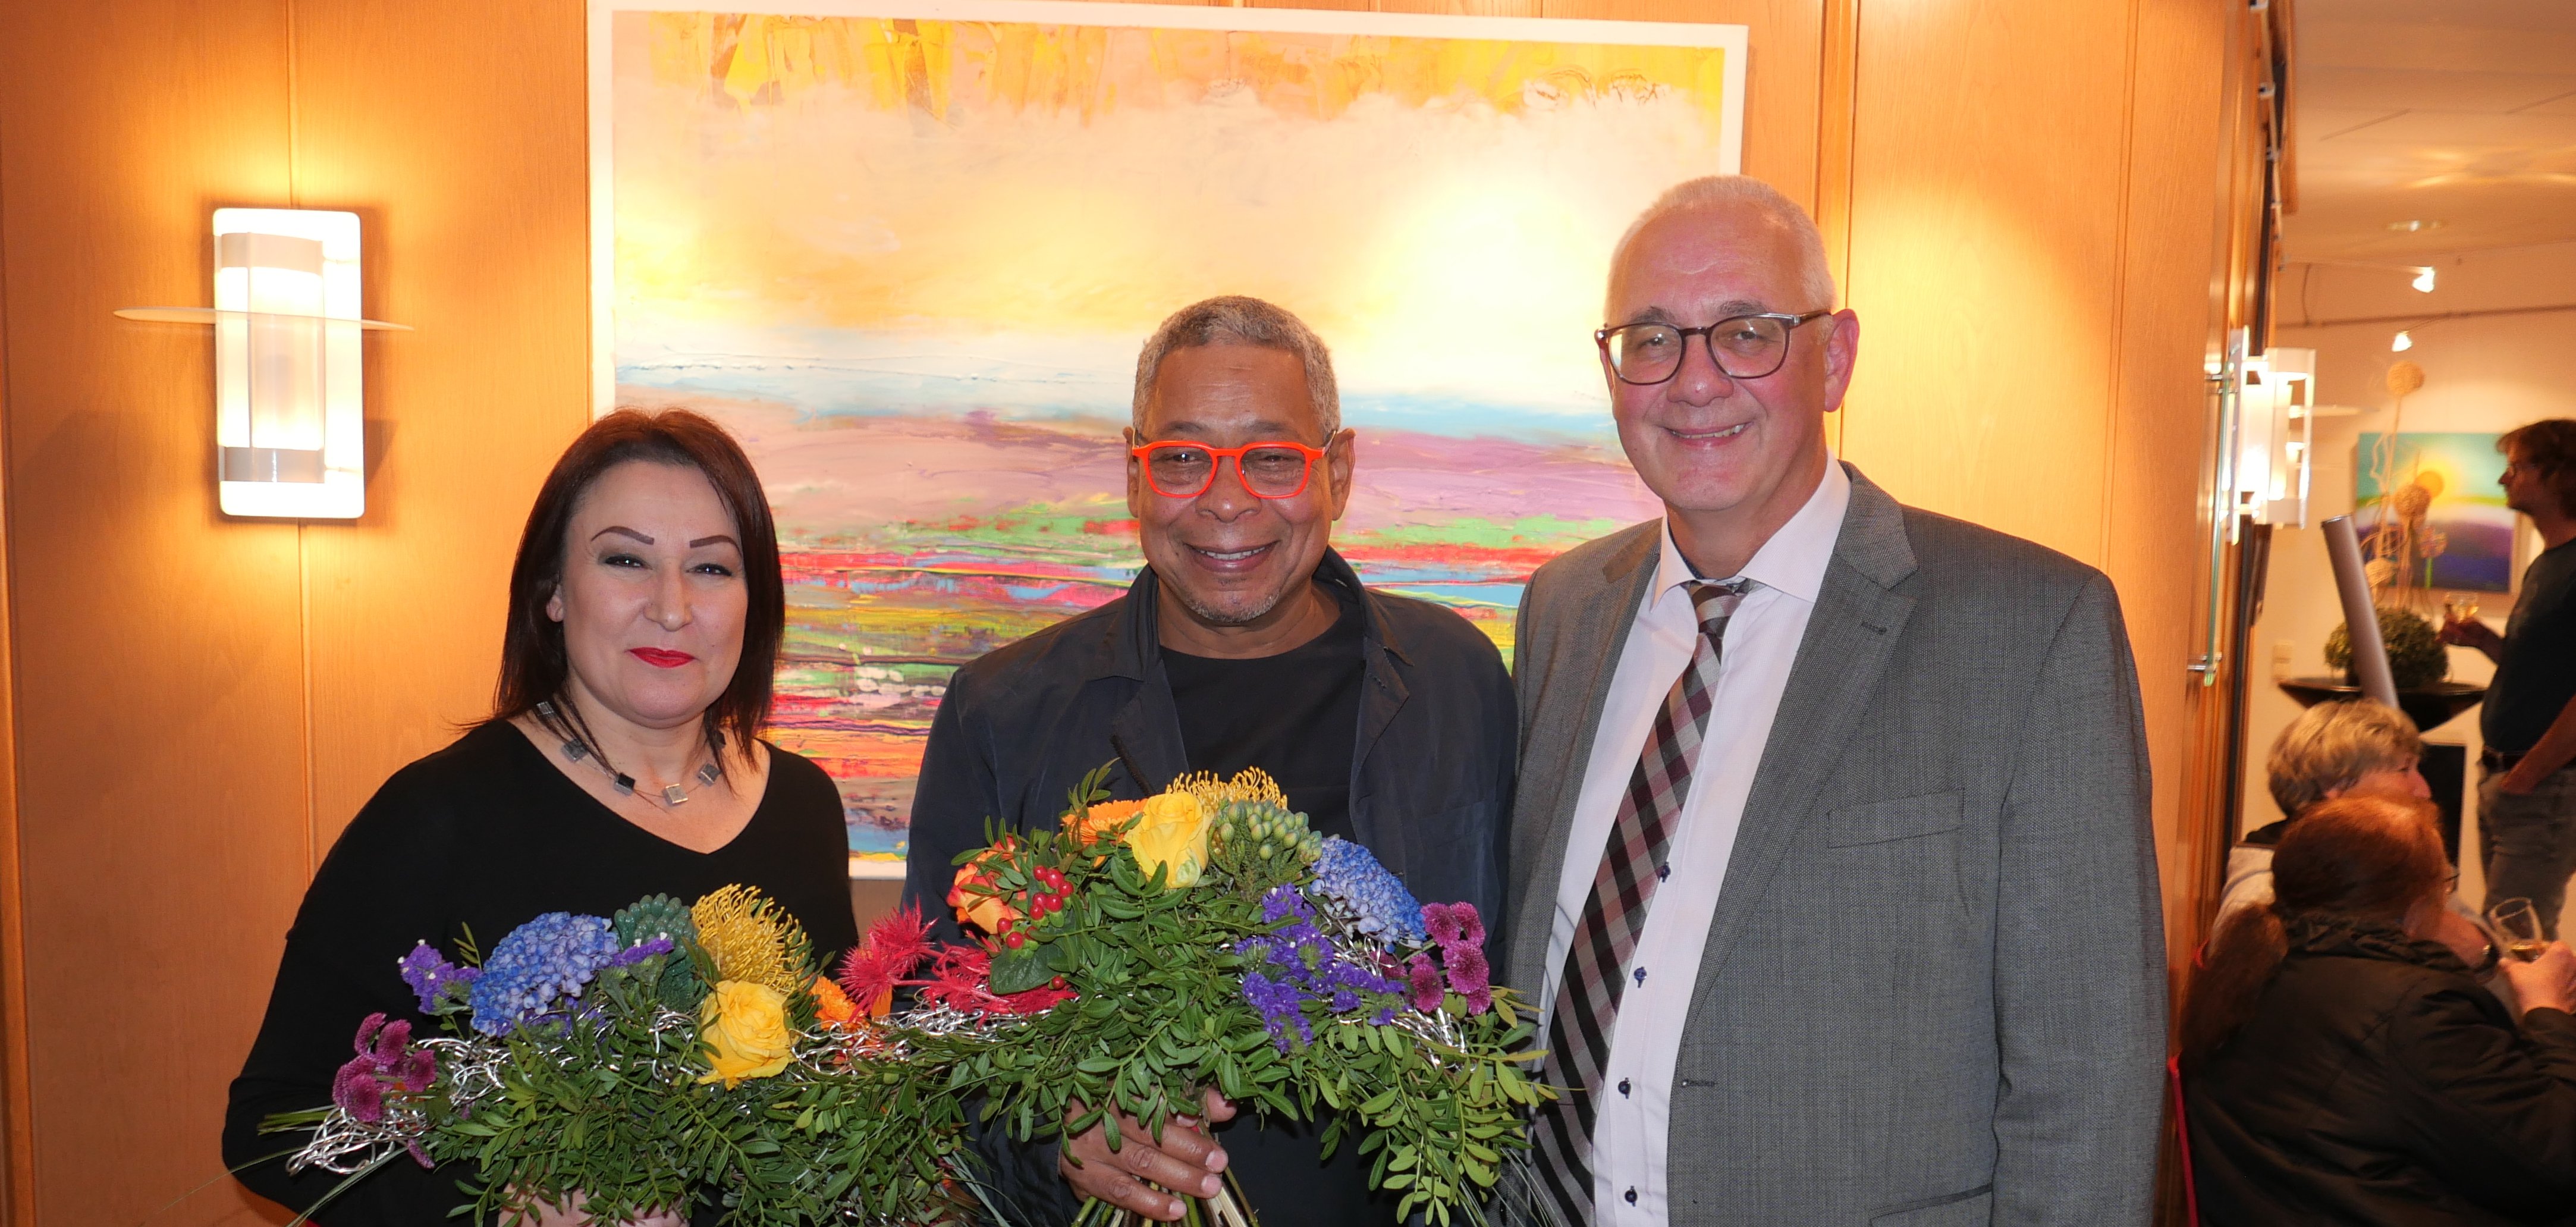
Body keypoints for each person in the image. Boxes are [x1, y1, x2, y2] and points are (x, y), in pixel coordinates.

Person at [1503, 175, 2165, 1225]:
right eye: (1651, 339)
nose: (1693, 381)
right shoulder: (1562, 610)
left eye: (1746, 333)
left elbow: (2087, 1077)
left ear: (1836, 357)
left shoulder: (2033, 627)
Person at [901, 296, 1515, 1225]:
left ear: (1337, 471)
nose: (1227, 501)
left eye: (1272, 457)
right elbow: (930, 1042)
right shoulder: (1006, 712)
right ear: (1135, 473)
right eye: (1184, 457)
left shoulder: (1455, 680)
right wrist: (1055, 1139)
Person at [222, 410, 860, 1225]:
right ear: (554, 590)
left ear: (753, 599)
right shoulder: (438, 813)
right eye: (626, 559)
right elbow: (272, 1123)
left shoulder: (804, 804)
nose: (671, 607)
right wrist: (506, 1205)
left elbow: (842, 1077)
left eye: (711, 568)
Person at [2180, 795, 2576, 1224]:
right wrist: (2547, 1009)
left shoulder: (2251, 965)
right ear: (2416, 907)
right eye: (2443, 884)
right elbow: (2556, 1164)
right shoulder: (2416, 1008)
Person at [2443, 420, 2576, 934]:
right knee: (2507, 928)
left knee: (2516, 938)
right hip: (2507, 775)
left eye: (2518, 467)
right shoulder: (2547, 564)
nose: (2505, 479)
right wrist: (2485, 642)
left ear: (2559, 475)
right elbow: (2546, 673)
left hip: (2543, 785)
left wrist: (2529, 774)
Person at [2219, 698, 2432, 925]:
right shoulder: (2263, 890)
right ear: (2336, 784)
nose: (2424, 791)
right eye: (2404, 770)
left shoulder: (2399, 854)